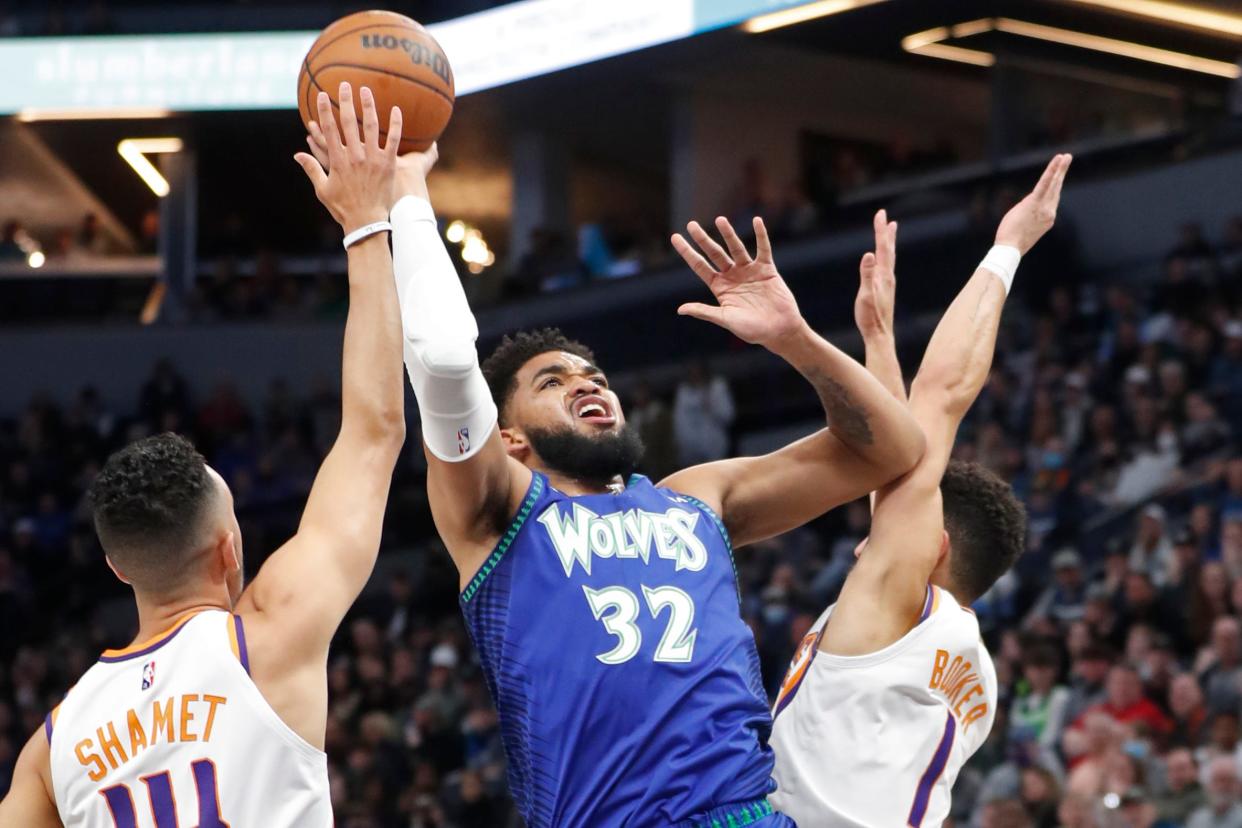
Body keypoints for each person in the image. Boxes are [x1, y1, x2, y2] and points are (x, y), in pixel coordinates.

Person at [302, 120, 926, 823]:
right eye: (553, 382)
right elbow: (445, 361)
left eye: (594, 374)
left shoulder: (696, 499)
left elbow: (894, 450)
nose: (587, 383)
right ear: (508, 438)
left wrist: (797, 340)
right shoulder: (499, 512)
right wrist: (408, 191)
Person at [0, 83, 411, 827]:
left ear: (118, 567)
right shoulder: (272, 636)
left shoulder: (51, 745)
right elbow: (375, 431)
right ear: (230, 548)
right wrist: (365, 225)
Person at [767, 154, 1073, 827]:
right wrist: (878, 340)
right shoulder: (970, 671)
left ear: (928, 549)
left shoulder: (900, 603)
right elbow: (894, 468)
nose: (869, 544)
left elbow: (940, 399)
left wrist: (1008, 246)